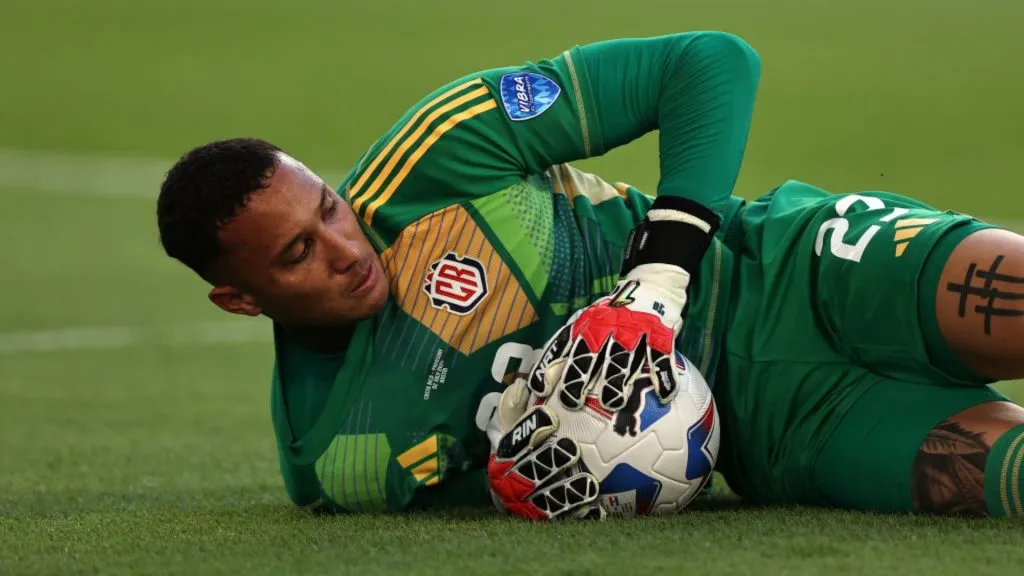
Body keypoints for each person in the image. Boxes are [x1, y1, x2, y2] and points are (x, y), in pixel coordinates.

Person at [156, 31, 1024, 520]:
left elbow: (711, 63)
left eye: (330, 209)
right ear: (237, 299)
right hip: (783, 429)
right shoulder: (341, 464)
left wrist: (656, 282)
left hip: (795, 268)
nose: (346, 247)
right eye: (298, 254)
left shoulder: (437, 157)